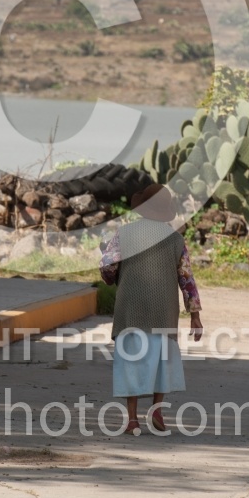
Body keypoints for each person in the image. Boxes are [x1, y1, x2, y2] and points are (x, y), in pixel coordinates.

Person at [100, 183, 203, 436]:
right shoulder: (175, 239)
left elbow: (108, 266)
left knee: (131, 363)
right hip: (163, 311)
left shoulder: (124, 233)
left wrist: (111, 278)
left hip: (130, 309)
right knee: (161, 361)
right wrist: (195, 316)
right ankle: (156, 409)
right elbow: (186, 279)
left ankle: (132, 420)